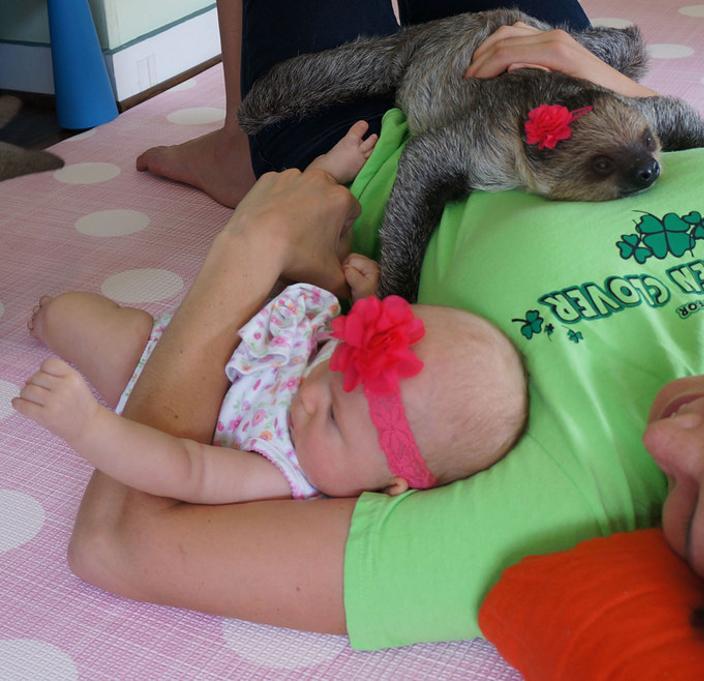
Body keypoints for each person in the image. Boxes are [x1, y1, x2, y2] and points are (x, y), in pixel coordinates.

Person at [57, 2, 704, 680]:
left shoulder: (554, 508)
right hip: (577, 100)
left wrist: (249, 247)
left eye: (681, 520)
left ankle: (245, 147)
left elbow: (124, 542)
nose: (666, 440)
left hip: (381, 135)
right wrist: (612, 94)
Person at [16, 126, 527, 504]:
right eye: (335, 365)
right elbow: (341, 343)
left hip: (158, 377)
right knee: (311, 247)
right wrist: (366, 304)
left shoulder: (281, 469)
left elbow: (185, 468)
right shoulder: (347, 396)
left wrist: (88, 427)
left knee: (73, 315)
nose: (308, 392)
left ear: (389, 482)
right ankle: (325, 174)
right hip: (221, 322)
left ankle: (49, 322)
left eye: (332, 418)